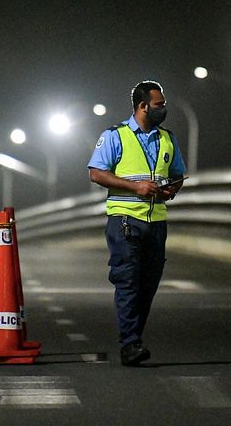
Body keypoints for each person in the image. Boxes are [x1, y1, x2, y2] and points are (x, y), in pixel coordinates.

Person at [87, 80, 186, 366]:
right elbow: (96, 173)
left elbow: (178, 174)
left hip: (157, 223)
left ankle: (133, 340)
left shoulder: (167, 139)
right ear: (143, 106)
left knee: (148, 285)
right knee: (128, 281)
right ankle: (130, 344)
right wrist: (136, 187)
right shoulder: (115, 136)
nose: (164, 109)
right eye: (159, 104)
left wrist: (171, 189)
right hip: (125, 221)